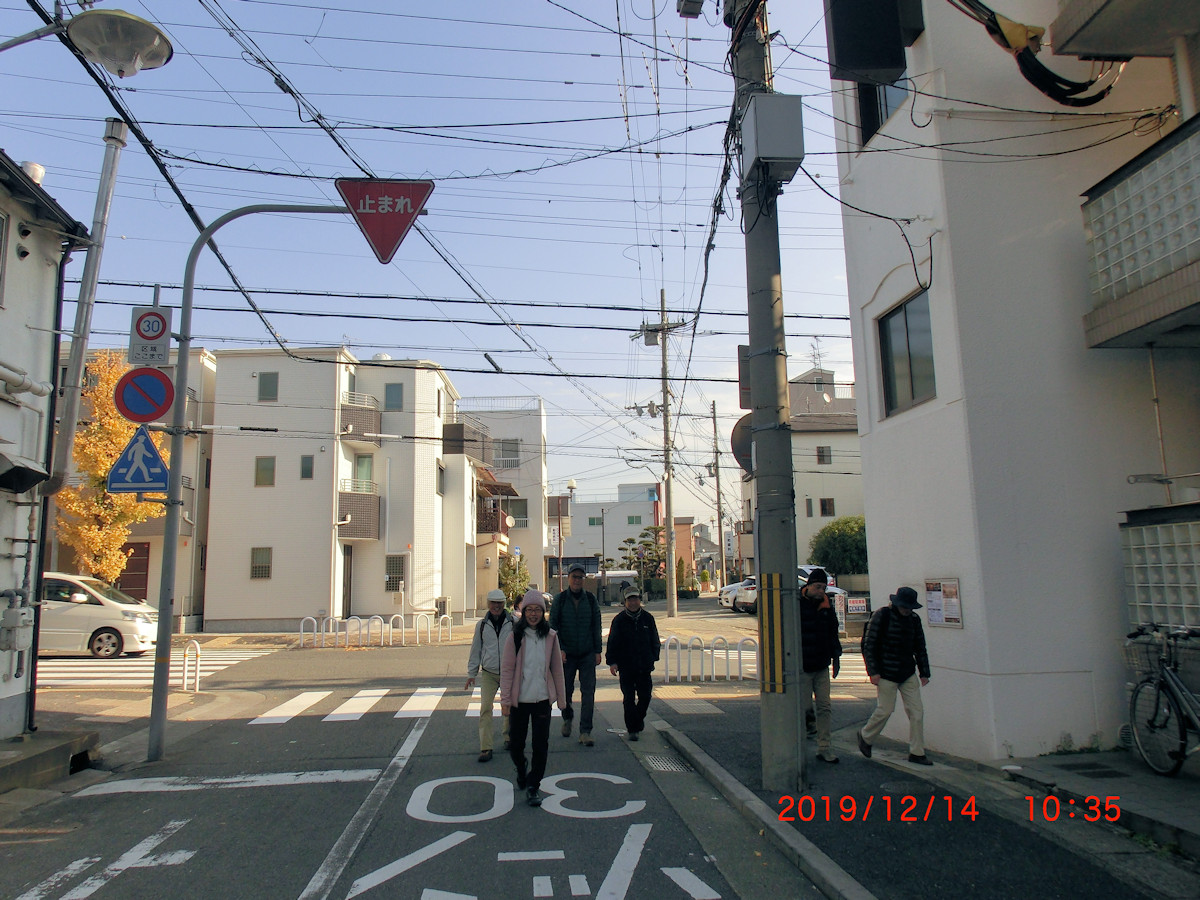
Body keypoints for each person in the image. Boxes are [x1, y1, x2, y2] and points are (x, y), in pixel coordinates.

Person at [501, 589, 567, 807]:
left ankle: (533, 785)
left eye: (537, 610)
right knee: (516, 744)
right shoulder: (514, 637)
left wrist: (562, 700)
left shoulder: (551, 637)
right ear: (523, 611)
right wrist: (505, 701)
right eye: (529, 610)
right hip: (520, 700)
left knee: (541, 745)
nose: (533, 614)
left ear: (543, 612)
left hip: (542, 700)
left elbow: (557, 670)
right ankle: (521, 768)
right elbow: (507, 670)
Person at [857, 586, 933, 765]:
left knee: (917, 712)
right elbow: (869, 645)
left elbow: (920, 647)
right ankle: (866, 736)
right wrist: (873, 672)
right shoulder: (881, 615)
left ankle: (917, 752)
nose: (907, 610)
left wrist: (924, 672)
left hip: (907, 671)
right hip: (886, 672)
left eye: (910, 607)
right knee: (885, 710)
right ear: (897, 603)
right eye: (905, 606)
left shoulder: (914, 619)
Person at [550, 562, 602, 746]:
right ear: (568, 578)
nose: (577, 580)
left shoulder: (591, 599)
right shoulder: (560, 599)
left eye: (580, 577)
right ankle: (567, 717)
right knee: (565, 691)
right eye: (574, 577)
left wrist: (598, 650)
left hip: (587, 653)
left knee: (588, 692)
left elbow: (596, 626)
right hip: (567, 654)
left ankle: (585, 731)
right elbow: (553, 626)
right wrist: (559, 649)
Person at [605, 583, 660, 741]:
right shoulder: (619, 620)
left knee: (645, 697)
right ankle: (632, 729)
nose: (633, 602)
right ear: (625, 602)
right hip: (626, 667)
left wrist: (653, 656)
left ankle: (638, 720)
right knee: (628, 698)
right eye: (630, 600)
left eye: (635, 599)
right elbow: (612, 643)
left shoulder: (648, 618)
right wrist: (612, 662)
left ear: (639, 600)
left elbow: (654, 640)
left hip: (644, 666)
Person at [798, 568, 842, 764]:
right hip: (802, 665)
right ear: (808, 585)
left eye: (823, 587)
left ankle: (824, 747)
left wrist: (836, 658)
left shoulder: (826, 605)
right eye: (817, 586)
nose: (820, 591)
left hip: (822, 664)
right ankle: (802, 741)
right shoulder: (796, 603)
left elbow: (833, 632)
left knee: (824, 706)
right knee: (804, 707)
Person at [465, 589, 514, 763]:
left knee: (509, 707)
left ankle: (509, 738)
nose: (496, 606)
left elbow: (522, 647)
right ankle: (486, 747)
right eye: (493, 603)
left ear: (504, 604)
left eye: (499, 603)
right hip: (488, 672)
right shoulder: (482, 625)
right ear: (488, 604)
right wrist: (472, 673)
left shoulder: (514, 623)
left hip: (509, 672)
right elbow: (476, 649)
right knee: (485, 708)